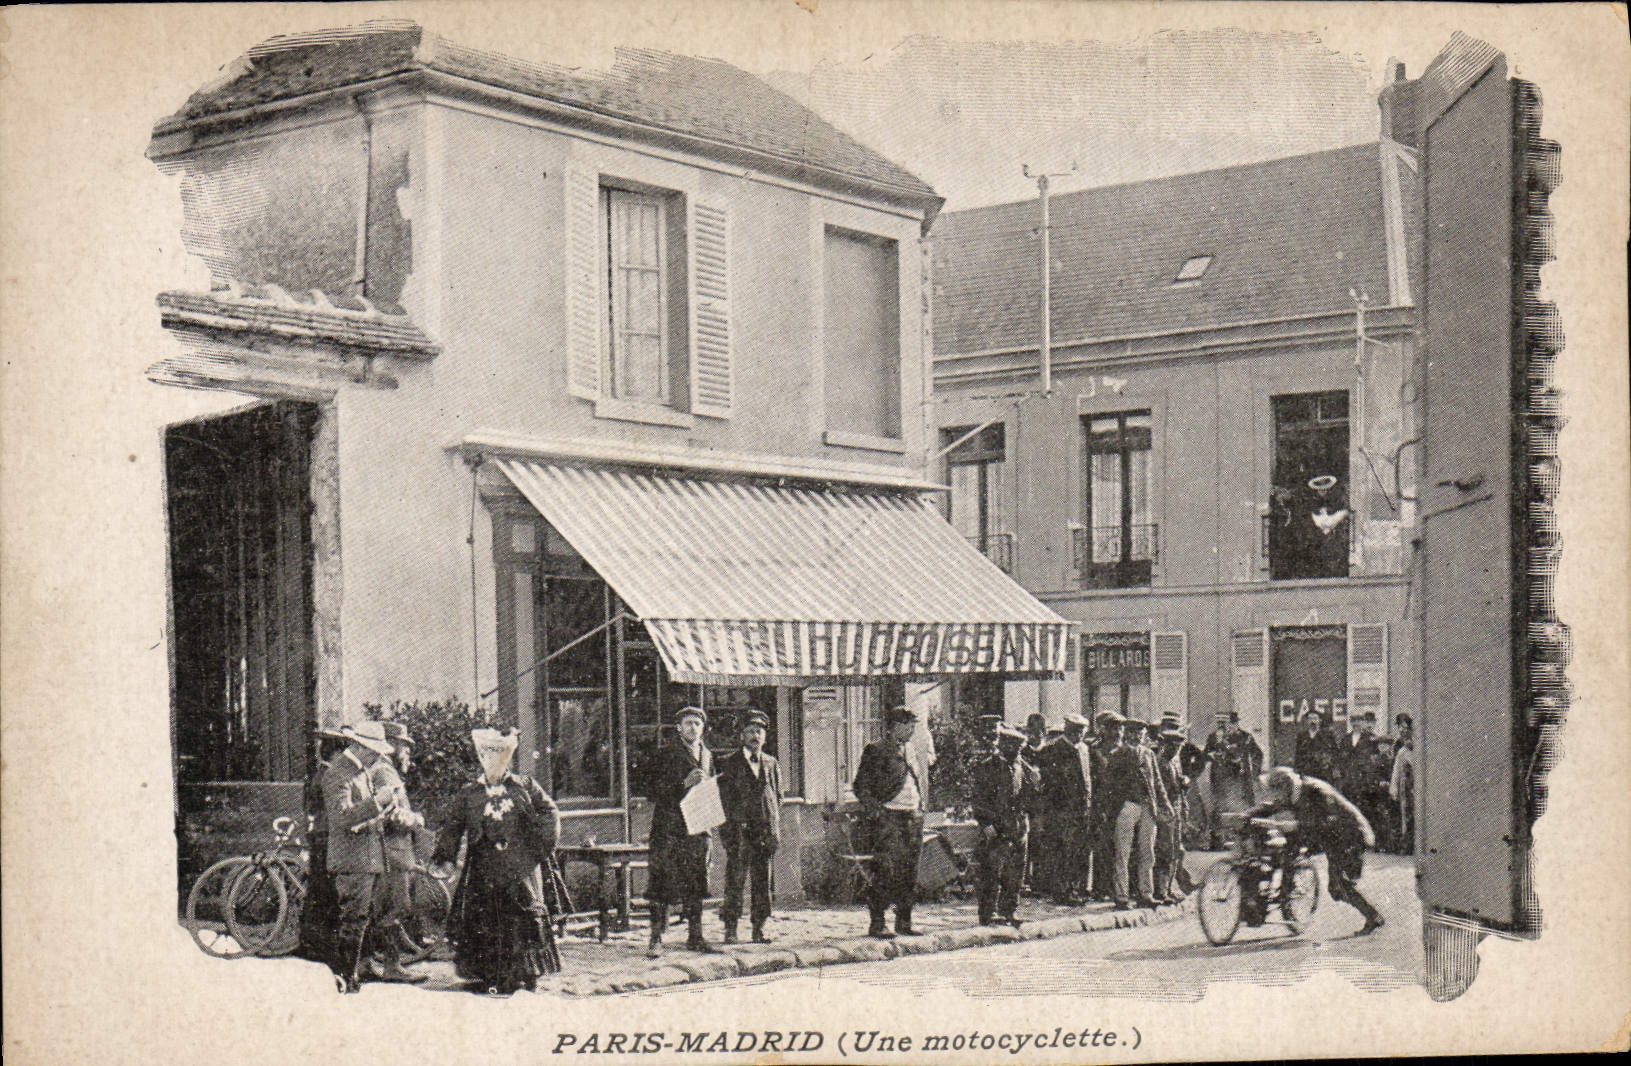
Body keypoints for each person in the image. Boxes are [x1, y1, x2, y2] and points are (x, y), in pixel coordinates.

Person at [431, 728, 563, 995]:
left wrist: (535, 850)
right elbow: (453, 826)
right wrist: (445, 856)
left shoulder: (525, 786)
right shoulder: (470, 793)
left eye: (499, 755)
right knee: (486, 920)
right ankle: (490, 975)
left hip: (520, 868)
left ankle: (526, 974)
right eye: (488, 755)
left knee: (522, 919)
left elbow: (550, 814)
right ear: (481, 757)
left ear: (508, 757)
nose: (494, 760)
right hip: (484, 868)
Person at [1252, 765, 1385, 935]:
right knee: (1335, 888)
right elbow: (1272, 806)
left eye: (1276, 791)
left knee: (1339, 886)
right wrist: (1249, 815)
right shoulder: (1294, 792)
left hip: (1350, 836)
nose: (1275, 796)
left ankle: (1373, 917)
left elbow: (1330, 820)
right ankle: (1287, 899)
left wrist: (1296, 826)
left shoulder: (1317, 791)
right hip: (1332, 839)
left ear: (1285, 787)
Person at [319, 720, 401, 993]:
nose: (378, 756)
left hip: (367, 859)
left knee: (359, 919)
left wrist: (382, 809)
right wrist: (378, 801)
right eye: (374, 750)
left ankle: (349, 976)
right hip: (352, 861)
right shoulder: (338, 774)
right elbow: (342, 818)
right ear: (360, 746)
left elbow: (361, 815)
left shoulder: (358, 771)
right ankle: (344, 979)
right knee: (353, 920)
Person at [851, 705, 930, 938]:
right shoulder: (875, 749)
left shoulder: (911, 749)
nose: (913, 730)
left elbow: (915, 780)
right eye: (910, 726)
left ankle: (904, 921)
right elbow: (861, 787)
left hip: (912, 818)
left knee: (909, 872)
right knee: (885, 870)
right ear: (896, 726)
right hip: (889, 819)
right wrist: (877, 812)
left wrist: (921, 808)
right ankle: (878, 922)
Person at [645, 706, 716, 956]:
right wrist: (682, 784)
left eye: (697, 723)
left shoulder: (707, 755)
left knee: (697, 883)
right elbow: (651, 791)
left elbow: (710, 791)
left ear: (703, 728)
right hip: (669, 829)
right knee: (662, 883)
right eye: (687, 723)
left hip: (698, 828)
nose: (692, 728)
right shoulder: (666, 754)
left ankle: (695, 936)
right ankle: (656, 939)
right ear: (678, 728)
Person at [360, 721, 427, 982]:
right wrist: (416, 819)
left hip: (383, 850)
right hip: (393, 851)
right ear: (392, 746)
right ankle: (392, 967)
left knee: (377, 908)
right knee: (394, 908)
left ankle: (365, 963)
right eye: (403, 746)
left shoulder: (375, 769)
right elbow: (393, 816)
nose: (406, 751)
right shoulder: (385, 772)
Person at [716, 709, 781, 944]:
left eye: (759, 731)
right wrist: (728, 833)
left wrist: (773, 828)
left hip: (763, 832)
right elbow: (722, 802)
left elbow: (777, 797)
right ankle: (731, 928)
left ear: (765, 736)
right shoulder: (728, 763)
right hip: (739, 831)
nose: (755, 736)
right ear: (742, 735)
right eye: (751, 731)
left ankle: (759, 927)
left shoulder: (771, 763)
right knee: (735, 881)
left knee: (763, 881)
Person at [972, 725, 1041, 926]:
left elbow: (1030, 797)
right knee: (991, 871)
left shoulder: (1022, 768)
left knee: (1015, 873)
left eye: (1019, 745)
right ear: (1002, 744)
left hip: (1018, 827)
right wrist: (985, 823)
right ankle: (988, 912)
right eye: (1012, 744)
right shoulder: (988, 766)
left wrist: (1036, 784)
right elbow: (978, 799)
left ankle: (1009, 910)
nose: (1017, 749)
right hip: (996, 826)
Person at [1105, 720, 1174, 909]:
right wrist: (1115, 807)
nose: (1136, 737)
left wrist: (1165, 804)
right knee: (1123, 852)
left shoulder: (1149, 754)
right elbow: (1108, 785)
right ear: (1126, 734)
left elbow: (1157, 782)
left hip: (1147, 807)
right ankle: (1122, 896)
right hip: (1127, 806)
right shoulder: (1117, 755)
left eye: (1140, 733)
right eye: (1132, 733)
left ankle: (1146, 893)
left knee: (1147, 852)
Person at [296, 728, 346, 965]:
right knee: (326, 894)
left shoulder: (317, 775)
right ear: (335, 754)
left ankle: (312, 944)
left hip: (318, 839)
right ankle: (321, 948)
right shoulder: (330, 777)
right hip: (326, 840)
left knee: (317, 893)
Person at [1036, 713, 1093, 904]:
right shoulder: (1052, 750)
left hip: (1082, 809)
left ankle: (1077, 889)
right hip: (1061, 810)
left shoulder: (1085, 749)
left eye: (1082, 732)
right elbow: (1047, 783)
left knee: (1079, 851)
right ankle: (1062, 891)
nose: (1079, 735)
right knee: (1062, 852)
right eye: (1075, 731)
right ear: (1067, 729)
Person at [1204, 712, 1263, 849]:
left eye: (1230, 724)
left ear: (1236, 724)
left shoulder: (1246, 737)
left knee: (1243, 807)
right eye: (1224, 724)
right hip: (1220, 778)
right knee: (1219, 806)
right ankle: (1218, 840)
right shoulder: (1214, 737)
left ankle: (1245, 839)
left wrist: (1254, 772)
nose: (1227, 727)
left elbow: (1258, 754)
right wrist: (1211, 756)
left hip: (1240, 779)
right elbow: (1206, 753)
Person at [1087, 711, 1124, 901]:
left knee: (1123, 847)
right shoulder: (1094, 751)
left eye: (1119, 728)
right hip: (1101, 804)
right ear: (1104, 730)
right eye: (1113, 728)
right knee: (1102, 846)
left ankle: (1120, 887)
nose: (1117, 732)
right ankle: (1101, 888)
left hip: (1122, 803)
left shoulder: (1125, 750)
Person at [1153, 727, 1191, 904]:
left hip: (1175, 809)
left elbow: (1179, 786)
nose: (1175, 750)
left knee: (1175, 850)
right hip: (1164, 810)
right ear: (1165, 745)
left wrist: (1185, 782)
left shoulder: (1174, 761)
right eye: (1172, 747)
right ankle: (1161, 890)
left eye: (1178, 747)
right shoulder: (1160, 762)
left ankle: (1168, 888)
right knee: (1165, 851)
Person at [1389, 714, 1416, 854]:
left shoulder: (1417, 746)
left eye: (1405, 727)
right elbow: (1396, 770)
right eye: (1400, 727)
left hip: (1416, 787)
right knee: (1406, 815)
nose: (1402, 730)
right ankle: (1407, 844)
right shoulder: (1401, 749)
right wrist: (1393, 787)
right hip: (1405, 789)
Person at [1292, 710, 1339, 783]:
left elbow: (1335, 752)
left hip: (1323, 774)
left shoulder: (1327, 735)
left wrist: (1332, 768)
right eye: (1310, 719)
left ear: (1319, 720)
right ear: (1307, 721)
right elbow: (1298, 755)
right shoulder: (1302, 736)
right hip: (1307, 773)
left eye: (1315, 718)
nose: (1312, 721)